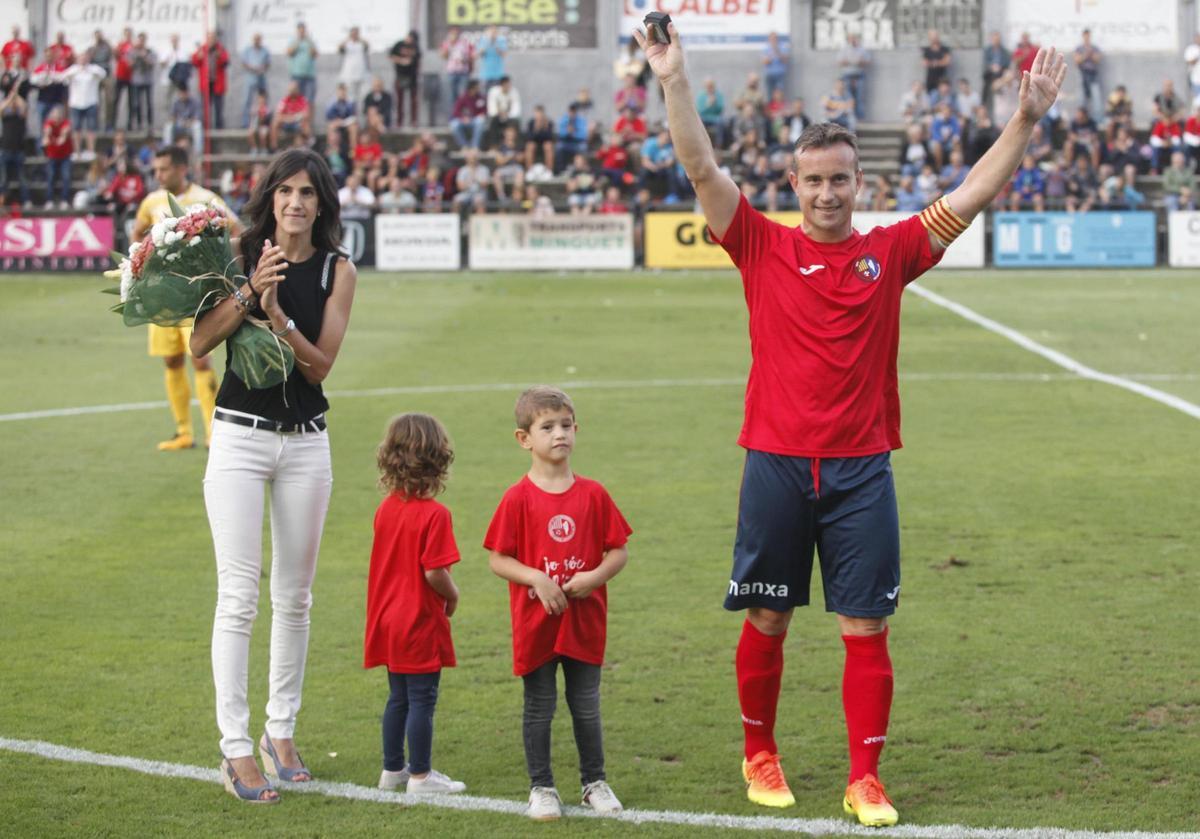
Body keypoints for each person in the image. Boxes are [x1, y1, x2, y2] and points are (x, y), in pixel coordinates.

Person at [635, 19, 1066, 826]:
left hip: (864, 468)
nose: (827, 193)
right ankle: (759, 752)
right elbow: (699, 164)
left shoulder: (894, 251)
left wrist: (1025, 120)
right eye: (813, 181)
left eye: (839, 179)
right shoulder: (759, 245)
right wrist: (673, 77)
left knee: (865, 623)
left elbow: (971, 194)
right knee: (769, 614)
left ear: (858, 183)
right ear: (793, 185)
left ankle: (865, 776)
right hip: (775, 461)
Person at [190, 147, 356, 805]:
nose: (295, 202)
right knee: (239, 595)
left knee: (296, 595)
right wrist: (246, 290)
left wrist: (277, 312)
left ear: (322, 203)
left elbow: (319, 367)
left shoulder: (338, 270)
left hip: (306, 443)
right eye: (285, 190)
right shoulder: (238, 249)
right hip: (238, 437)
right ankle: (235, 747)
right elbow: (201, 342)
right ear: (271, 196)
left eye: (307, 193)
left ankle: (278, 732)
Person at [484, 386, 631, 822]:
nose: (559, 434)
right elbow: (497, 558)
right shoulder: (517, 498)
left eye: (565, 425)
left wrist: (594, 576)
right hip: (536, 625)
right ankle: (542, 787)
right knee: (539, 706)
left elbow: (618, 550)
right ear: (524, 439)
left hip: (584, 624)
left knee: (586, 705)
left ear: (576, 429)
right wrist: (535, 577)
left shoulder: (594, 494)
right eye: (547, 427)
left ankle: (594, 782)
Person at [365, 413, 466, 795]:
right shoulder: (435, 515)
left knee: (398, 697)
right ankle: (421, 776)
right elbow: (434, 573)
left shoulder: (386, 509)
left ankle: (393, 770)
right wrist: (453, 595)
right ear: (438, 459)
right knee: (423, 698)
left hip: (387, 618)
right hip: (417, 621)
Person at [131, 145, 238, 450]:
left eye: (164, 169)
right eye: (156, 169)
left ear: (181, 169)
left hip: (196, 297)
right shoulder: (151, 201)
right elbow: (138, 232)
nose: (158, 175)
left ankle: (212, 432)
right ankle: (183, 432)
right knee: (172, 360)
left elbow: (235, 230)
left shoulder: (206, 199)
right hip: (162, 296)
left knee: (201, 360)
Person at [65, 51, 105, 160]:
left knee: (91, 128)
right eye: (81, 57)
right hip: (76, 103)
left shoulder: (94, 68)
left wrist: (89, 71)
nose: (83, 60)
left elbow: (102, 74)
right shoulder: (73, 69)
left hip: (91, 102)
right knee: (76, 129)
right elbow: (64, 77)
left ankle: (90, 151)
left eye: (85, 57)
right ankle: (77, 152)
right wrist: (77, 71)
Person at [192, 31, 229, 131]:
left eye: (213, 38)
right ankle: (206, 128)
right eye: (209, 38)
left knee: (218, 108)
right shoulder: (202, 49)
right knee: (205, 109)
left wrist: (219, 57)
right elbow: (195, 62)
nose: (211, 40)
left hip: (217, 84)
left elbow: (225, 62)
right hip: (206, 84)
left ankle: (219, 129)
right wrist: (198, 57)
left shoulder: (220, 49)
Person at [0, 82, 29, 206]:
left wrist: (16, 95)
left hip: (19, 150)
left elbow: (25, 107)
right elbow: (1, 108)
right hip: (5, 150)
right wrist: (11, 97)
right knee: (3, 179)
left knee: (22, 179)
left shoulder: (20, 116)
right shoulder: (6, 116)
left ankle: (26, 200)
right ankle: (2, 200)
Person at [41, 104, 72, 209]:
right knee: (50, 177)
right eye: (55, 116)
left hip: (65, 156)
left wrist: (62, 137)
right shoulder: (49, 123)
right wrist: (46, 137)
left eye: (58, 116)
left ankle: (65, 200)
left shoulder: (65, 123)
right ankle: (49, 200)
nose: (56, 119)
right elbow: (47, 130)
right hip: (52, 156)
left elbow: (65, 131)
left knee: (66, 177)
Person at [389, 31, 420, 127]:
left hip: (412, 76)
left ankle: (413, 121)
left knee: (413, 100)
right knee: (399, 101)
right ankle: (399, 121)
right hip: (400, 75)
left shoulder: (416, 47)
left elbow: (418, 60)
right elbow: (391, 56)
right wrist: (401, 61)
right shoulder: (399, 44)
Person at [836, 33, 869, 121]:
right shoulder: (844, 49)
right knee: (848, 96)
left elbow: (867, 61)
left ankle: (860, 118)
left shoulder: (862, 49)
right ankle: (849, 117)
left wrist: (858, 61)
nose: (853, 40)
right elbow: (839, 61)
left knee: (859, 97)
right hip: (847, 76)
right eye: (851, 38)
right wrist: (851, 61)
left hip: (859, 76)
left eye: (854, 38)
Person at [240, 33, 270, 129]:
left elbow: (268, 64)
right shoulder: (247, 50)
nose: (257, 41)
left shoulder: (265, 51)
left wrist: (262, 67)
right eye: (255, 39)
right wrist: (252, 68)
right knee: (247, 100)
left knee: (263, 100)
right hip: (250, 78)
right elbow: (244, 63)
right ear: (253, 40)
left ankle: (264, 122)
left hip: (261, 77)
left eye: (259, 39)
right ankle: (245, 123)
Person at [439, 26, 473, 106]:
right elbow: (443, 56)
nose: (454, 35)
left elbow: (471, 56)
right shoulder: (446, 43)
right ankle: (455, 114)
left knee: (464, 94)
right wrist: (449, 46)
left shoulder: (465, 43)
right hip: (452, 72)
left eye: (456, 33)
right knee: (452, 95)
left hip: (463, 72)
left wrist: (464, 60)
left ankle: (465, 113)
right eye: (452, 33)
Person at [337, 27, 370, 107]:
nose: (354, 35)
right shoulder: (347, 43)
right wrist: (348, 38)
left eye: (356, 33)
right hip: (349, 75)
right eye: (353, 33)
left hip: (362, 74)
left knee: (364, 97)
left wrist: (359, 38)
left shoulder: (361, 43)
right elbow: (339, 49)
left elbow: (367, 46)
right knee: (351, 98)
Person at [288, 23, 318, 106]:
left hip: (309, 76)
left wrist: (309, 41)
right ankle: (296, 118)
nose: (302, 32)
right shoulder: (293, 41)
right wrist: (298, 41)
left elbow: (315, 55)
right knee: (296, 99)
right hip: (296, 75)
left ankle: (309, 119)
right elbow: (290, 53)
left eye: (303, 30)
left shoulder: (310, 41)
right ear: (297, 31)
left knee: (310, 100)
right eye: (300, 30)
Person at [1073, 29, 1102, 118]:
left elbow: (1097, 59)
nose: (1087, 38)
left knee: (1096, 97)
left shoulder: (1095, 48)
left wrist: (1091, 54)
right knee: (1082, 99)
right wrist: (1086, 54)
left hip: (1093, 75)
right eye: (1085, 36)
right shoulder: (1079, 48)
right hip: (1083, 74)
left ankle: (1097, 119)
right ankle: (1082, 117)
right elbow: (1077, 60)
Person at [477, 25, 507, 91]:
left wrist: (495, 43)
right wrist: (488, 42)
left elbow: (504, 54)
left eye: (495, 31)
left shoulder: (502, 40)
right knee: (485, 96)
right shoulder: (483, 40)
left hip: (498, 74)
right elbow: (480, 54)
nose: (493, 33)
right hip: (485, 74)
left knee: (497, 95)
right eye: (491, 31)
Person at [761, 31, 789, 102]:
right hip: (769, 75)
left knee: (780, 94)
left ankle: (779, 109)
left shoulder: (783, 47)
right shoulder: (766, 48)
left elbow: (785, 60)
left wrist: (777, 51)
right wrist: (771, 54)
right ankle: (771, 109)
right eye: (772, 38)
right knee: (770, 94)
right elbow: (765, 62)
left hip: (780, 75)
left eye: (775, 38)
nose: (773, 40)